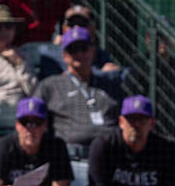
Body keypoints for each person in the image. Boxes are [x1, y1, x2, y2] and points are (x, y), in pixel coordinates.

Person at [32, 26, 123, 157]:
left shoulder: (109, 84)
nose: (79, 54)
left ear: (93, 51)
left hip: (113, 155)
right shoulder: (51, 85)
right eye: (73, 50)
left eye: (84, 49)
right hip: (72, 158)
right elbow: (34, 117)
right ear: (64, 56)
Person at [53, 5, 120, 72]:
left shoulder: (99, 55)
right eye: (71, 24)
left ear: (92, 28)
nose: (77, 28)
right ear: (64, 28)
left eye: (82, 24)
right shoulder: (53, 51)